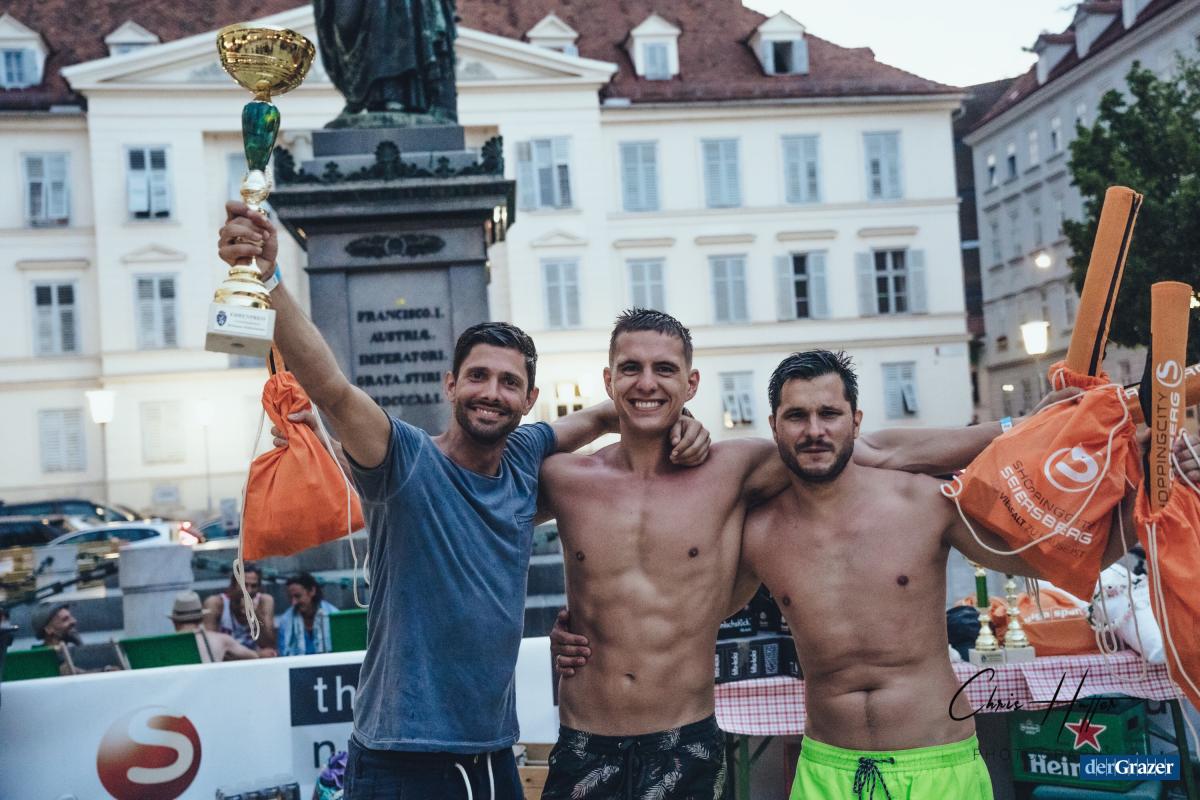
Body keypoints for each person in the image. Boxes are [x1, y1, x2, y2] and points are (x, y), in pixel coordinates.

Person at [217, 205, 709, 800]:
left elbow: (612, 412)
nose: (491, 393)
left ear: (528, 399)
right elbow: (332, 389)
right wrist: (269, 279)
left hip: (492, 752)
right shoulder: (404, 459)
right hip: (401, 757)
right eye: (477, 376)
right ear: (450, 385)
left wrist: (681, 419)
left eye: (508, 383)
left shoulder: (525, 455)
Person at [537, 313, 1020, 800]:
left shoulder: (735, 468)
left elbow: (880, 450)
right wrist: (603, 416)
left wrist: (1017, 427)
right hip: (586, 738)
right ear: (608, 380)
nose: (647, 383)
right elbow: (499, 476)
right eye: (630, 369)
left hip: (685, 741)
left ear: (691, 383)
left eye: (664, 370)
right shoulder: (565, 479)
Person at [738, 351, 1139, 799]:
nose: (814, 430)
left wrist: (1148, 484)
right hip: (827, 771)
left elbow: (1065, 560)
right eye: (797, 416)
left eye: (829, 413)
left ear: (855, 421)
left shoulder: (925, 503)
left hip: (937, 766)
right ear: (774, 425)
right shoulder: (758, 533)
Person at [202, 564, 277, 656]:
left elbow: (269, 644)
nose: (248, 591)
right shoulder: (215, 603)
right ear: (233, 585)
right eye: (244, 585)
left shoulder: (264, 601)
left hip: (255, 661)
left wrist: (256, 615)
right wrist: (256, 655)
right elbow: (209, 649)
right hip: (228, 661)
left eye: (254, 586)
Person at [169, 590, 258, 663]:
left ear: (174, 622)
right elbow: (254, 657)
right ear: (201, 619)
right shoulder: (221, 640)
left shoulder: (164, 644)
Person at [277, 573, 339, 657]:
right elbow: (284, 654)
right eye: (290, 597)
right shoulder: (286, 621)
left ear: (312, 591)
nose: (293, 602)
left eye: (298, 596)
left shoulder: (333, 615)